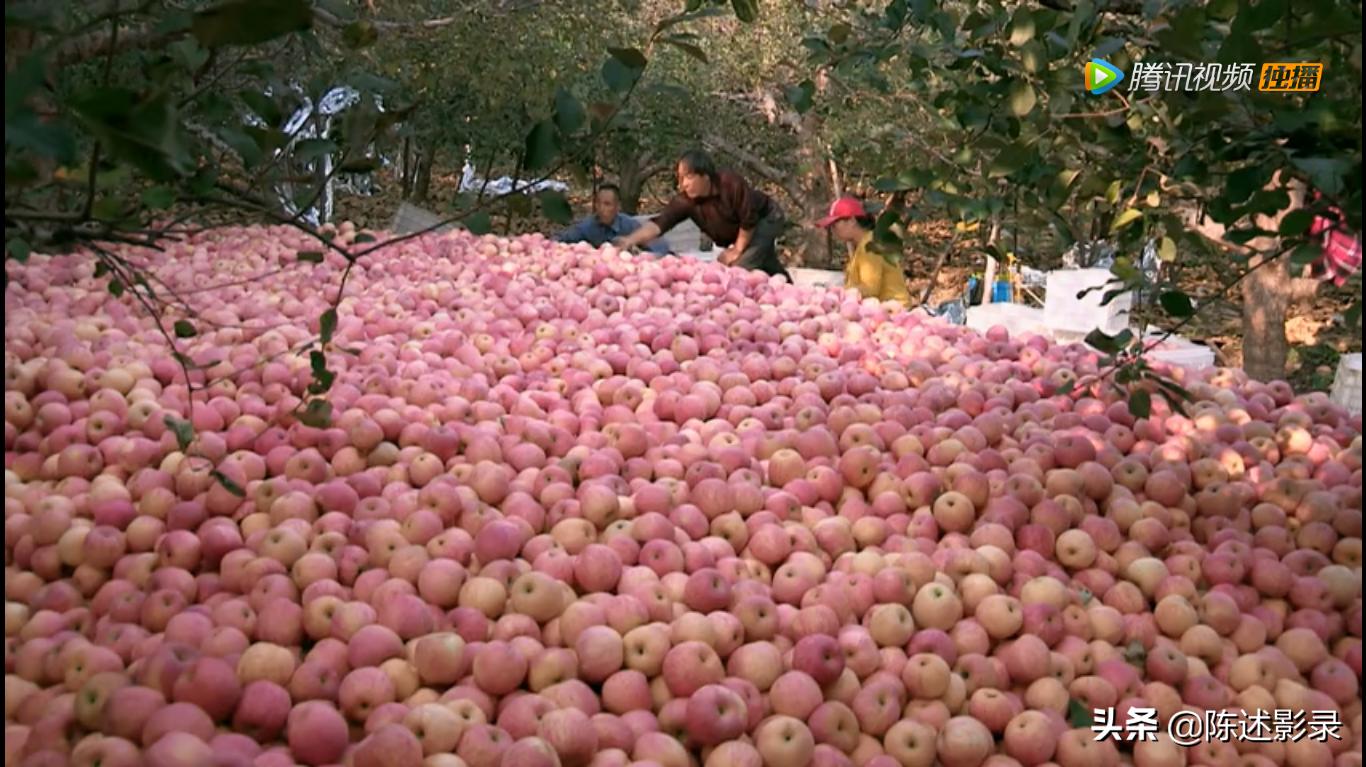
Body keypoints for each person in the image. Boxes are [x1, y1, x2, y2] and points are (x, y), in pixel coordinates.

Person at [614, 150, 791, 280]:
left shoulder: (730, 183)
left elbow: (749, 219)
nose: (683, 184)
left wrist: (736, 250)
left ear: (705, 176)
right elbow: (659, 224)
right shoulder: (685, 201)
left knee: (740, 269)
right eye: (680, 178)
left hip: (766, 218)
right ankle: (788, 287)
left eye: (688, 177)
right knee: (761, 258)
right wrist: (630, 240)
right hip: (747, 230)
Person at [817, 196, 913, 308]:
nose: (833, 230)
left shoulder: (870, 246)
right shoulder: (866, 242)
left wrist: (838, 294)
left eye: (835, 224)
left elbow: (870, 289)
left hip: (894, 310)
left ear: (852, 221)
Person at [554, 183, 668, 255]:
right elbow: (561, 239)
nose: (601, 208)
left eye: (607, 204)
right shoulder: (588, 227)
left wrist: (643, 255)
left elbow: (659, 245)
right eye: (598, 203)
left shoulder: (628, 225)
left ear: (617, 207)